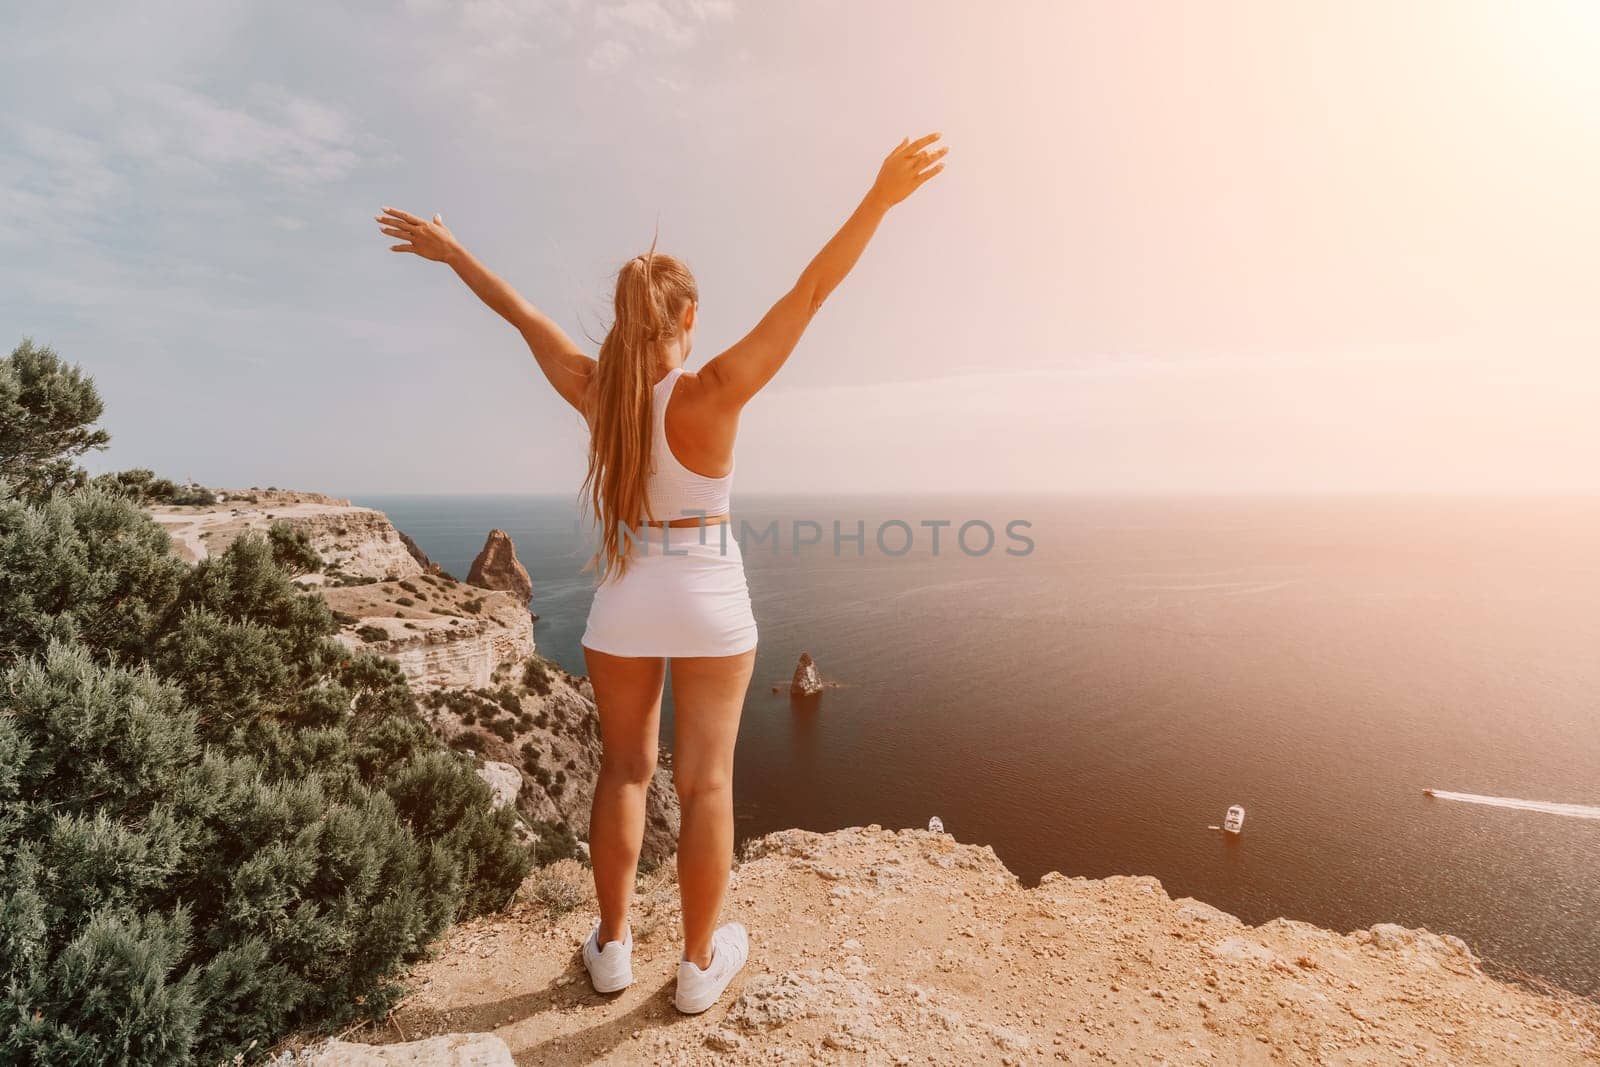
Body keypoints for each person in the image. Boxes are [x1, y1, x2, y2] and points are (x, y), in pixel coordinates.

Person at [375, 132, 946, 1013]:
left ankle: (611, 947)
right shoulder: (714, 387)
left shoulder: (594, 389)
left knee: (626, 771)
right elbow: (813, 291)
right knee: (708, 782)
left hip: (626, 602)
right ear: (685, 320)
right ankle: (695, 966)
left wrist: (454, 252)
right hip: (711, 598)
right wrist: (878, 197)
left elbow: (520, 314)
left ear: (621, 318)